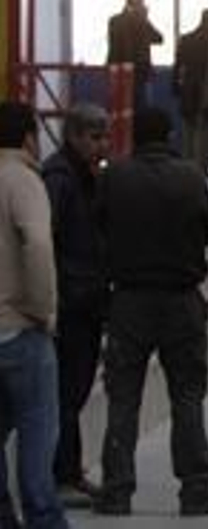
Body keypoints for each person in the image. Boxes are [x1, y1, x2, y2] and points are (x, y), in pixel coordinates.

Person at [94, 107, 208, 518]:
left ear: (134, 136)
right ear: (170, 134)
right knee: (187, 397)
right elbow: (205, 230)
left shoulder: (113, 177)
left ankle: (116, 493)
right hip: (181, 300)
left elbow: (98, 228)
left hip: (129, 301)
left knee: (123, 399)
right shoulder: (191, 177)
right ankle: (195, 490)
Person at [0, 102, 69, 529]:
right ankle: (43, 518)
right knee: (37, 430)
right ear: (29, 136)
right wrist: (44, 310)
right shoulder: (22, 179)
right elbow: (39, 245)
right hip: (21, 329)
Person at [41, 103, 112, 509]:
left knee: (76, 391)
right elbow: (46, 239)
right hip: (70, 304)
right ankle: (62, 474)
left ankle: (69, 470)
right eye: (95, 137)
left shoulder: (86, 177)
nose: (102, 145)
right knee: (66, 394)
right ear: (74, 137)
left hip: (86, 300)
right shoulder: (60, 178)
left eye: (104, 136)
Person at [173, 10, 208, 175]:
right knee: (207, 133)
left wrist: (176, 87)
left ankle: (188, 166)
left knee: (189, 131)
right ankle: (202, 167)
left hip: (188, 90)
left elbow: (178, 65)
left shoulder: (187, 39)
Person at [106, 0, 164, 110]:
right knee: (140, 108)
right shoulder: (140, 21)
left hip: (120, 70)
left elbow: (159, 39)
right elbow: (159, 38)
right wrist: (144, 19)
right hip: (137, 71)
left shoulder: (114, 20)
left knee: (120, 108)